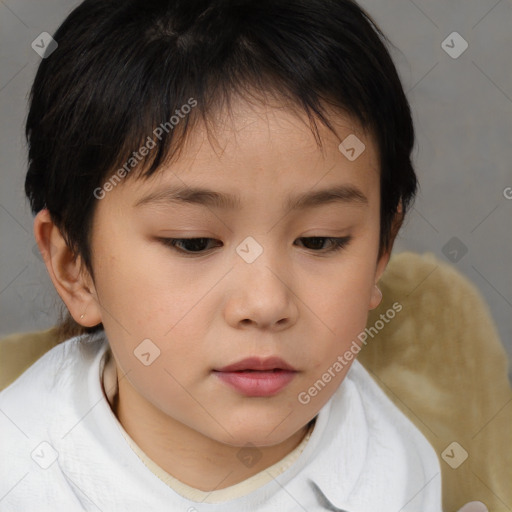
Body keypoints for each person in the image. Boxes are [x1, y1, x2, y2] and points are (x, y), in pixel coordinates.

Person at [0, 0, 446, 509]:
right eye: (193, 242)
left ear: (381, 251)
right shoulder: (17, 475)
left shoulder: (396, 466)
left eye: (320, 240)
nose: (265, 303)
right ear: (74, 267)